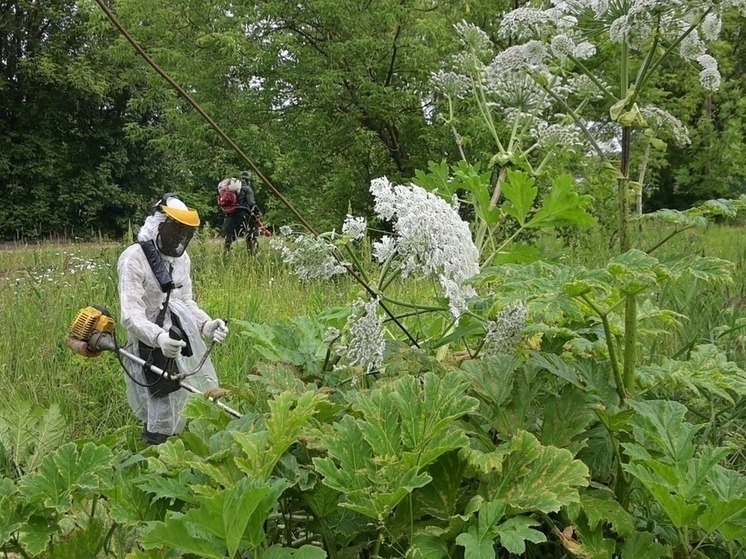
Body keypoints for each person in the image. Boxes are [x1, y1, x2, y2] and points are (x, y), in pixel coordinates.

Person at [117, 193, 229, 445]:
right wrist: (158, 338)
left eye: (184, 233)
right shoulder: (134, 259)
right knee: (159, 398)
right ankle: (156, 452)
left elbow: (185, 301)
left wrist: (206, 325)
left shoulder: (181, 260)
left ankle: (178, 447)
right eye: (174, 231)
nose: (178, 238)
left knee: (183, 393)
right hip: (148, 341)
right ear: (159, 224)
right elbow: (131, 314)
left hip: (178, 334)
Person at [219, 170, 261, 253]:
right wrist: (258, 213)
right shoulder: (247, 189)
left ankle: (226, 256)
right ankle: (252, 254)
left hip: (232, 215)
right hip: (245, 215)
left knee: (229, 239)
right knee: (250, 236)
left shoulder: (230, 188)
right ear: (248, 180)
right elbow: (251, 203)